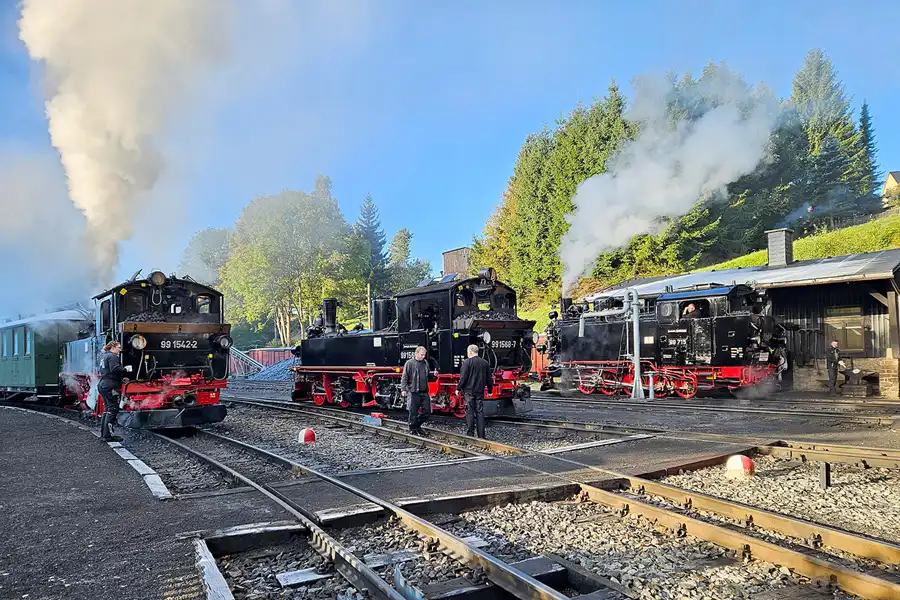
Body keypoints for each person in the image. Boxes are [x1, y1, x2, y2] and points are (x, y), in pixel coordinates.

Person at [97, 341, 132, 442]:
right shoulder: (113, 356)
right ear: (113, 347)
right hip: (111, 386)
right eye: (118, 347)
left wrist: (121, 380)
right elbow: (114, 369)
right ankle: (108, 435)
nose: (120, 350)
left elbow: (107, 371)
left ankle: (104, 434)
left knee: (107, 409)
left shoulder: (104, 356)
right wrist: (125, 369)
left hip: (104, 384)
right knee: (112, 409)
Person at [458, 344, 493, 438]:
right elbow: (489, 378)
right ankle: (481, 435)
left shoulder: (466, 362)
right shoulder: (485, 363)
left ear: (470, 352)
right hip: (480, 391)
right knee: (480, 412)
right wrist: (490, 390)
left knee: (469, 412)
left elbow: (463, 378)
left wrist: (458, 388)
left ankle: (470, 434)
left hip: (469, 392)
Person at [401, 346, 431, 435]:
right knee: (413, 411)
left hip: (424, 391)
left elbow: (427, 374)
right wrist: (403, 389)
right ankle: (413, 428)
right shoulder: (409, 363)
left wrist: (433, 374)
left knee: (427, 411)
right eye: (422, 355)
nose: (423, 356)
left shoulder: (425, 363)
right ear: (416, 353)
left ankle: (416, 425)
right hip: (413, 391)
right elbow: (404, 377)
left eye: (424, 355)